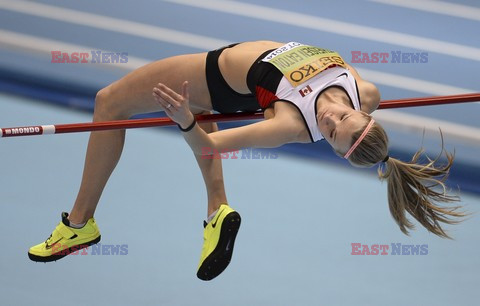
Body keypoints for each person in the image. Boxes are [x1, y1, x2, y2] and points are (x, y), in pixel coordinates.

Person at [28, 41, 465, 280]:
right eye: (345, 118)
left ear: (328, 147)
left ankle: (80, 224)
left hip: (216, 74)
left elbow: (208, 146)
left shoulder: (290, 124)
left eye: (331, 134)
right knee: (146, 106)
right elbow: (359, 120)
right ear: (363, 111)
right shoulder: (367, 94)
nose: (331, 118)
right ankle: (217, 211)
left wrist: (184, 121)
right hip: (239, 75)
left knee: (109, 102)